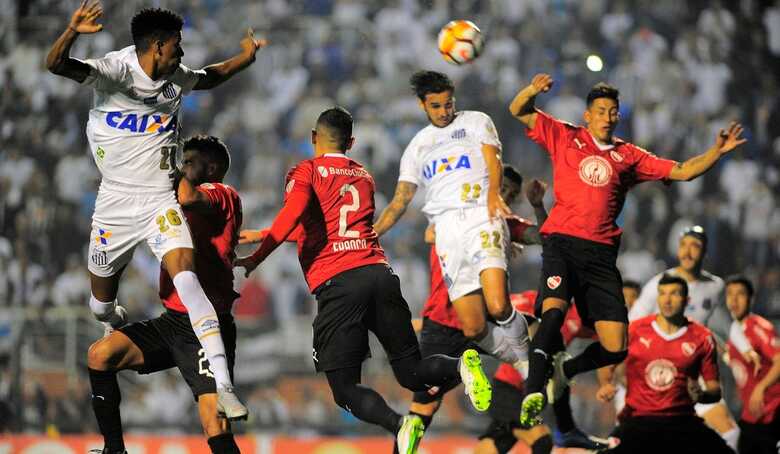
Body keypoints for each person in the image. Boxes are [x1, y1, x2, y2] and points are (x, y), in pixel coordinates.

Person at [46, 1, 266, 423]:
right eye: (178, 46)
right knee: (99, 307)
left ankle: (224, 386)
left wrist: (246, 57)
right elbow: (56, 64)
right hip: (113, 205)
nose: (183, 54)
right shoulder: (114, 71)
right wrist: (72, 30)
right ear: (159, 46)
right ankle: (110, 316)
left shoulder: (175, 78)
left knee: (188, 279)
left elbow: (211, 76)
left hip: (158, 201)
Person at [235, 107, 491, 454]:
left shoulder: (305, 171)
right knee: (412, 373)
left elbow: (296, 216)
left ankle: (400, 423)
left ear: (313, 137)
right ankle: (461, 365)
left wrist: (258, 255)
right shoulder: (364, 176)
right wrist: (268, 233)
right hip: (379, 274)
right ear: (352, 142)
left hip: (340, 284)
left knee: (344, 389)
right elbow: (335, 227)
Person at [508, 73, 747, 426]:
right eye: (601, 110)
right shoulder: (565, 135)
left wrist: (716, 151)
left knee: (616, 346)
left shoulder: (629, 156)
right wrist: (532, 90)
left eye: (613, 111)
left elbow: (683, 171)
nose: (607, 116)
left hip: (601, 255)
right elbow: (518, 109)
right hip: (562, 243)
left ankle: (566, 368)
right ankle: (533, 391)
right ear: (587, 115)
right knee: (553, 314)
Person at [86, 136, 243, 454]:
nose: (182, 166)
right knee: (100, 355)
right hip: (173, 322)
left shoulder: (221, 194)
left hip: (207, 326)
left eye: (189, 161)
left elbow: (185, 196)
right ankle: (114, 450)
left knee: (215, 422)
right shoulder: (177, 202)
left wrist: (166, 162)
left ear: (210, 167)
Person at [374, 70, 530, 377]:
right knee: (473, 326)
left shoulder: (475, 121)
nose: (445, 111)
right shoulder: (418, 146)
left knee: (498, 306)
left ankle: (531, 365)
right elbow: (400, 201)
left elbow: (492, 159)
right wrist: (370, 234)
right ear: (423, 105)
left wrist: (493, 196)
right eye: (436, 106)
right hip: (447, 232)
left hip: (481, 217)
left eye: (448, 104)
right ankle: (525, 364)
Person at [627, 226, 745, 449]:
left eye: (695, 246)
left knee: (731, 434)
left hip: (693, 375)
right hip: (658, 376)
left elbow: (725, 329)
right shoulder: (658, 284)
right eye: (684, 245)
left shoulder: (715, 287)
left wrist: (742, 353)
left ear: (705, 253)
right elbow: (631, 326)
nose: (688, 252)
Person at [596, 274, 733, 454]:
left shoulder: (702, 337)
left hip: (682, 422)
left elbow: (715, 390)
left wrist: (702, 396)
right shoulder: (635, 330)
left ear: (687, 300)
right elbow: (606, 361)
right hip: (638, 421)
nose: (667, 300)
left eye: (674, 294)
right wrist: (605, 384)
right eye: (662, 294)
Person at [723, 275, 780, 454]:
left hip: (772, 411)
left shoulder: (759, 327)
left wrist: (760, 388)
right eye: (730, 294)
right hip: (753, 413)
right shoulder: (735, 331)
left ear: (751, 298)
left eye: (740, 294)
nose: (734, 299)